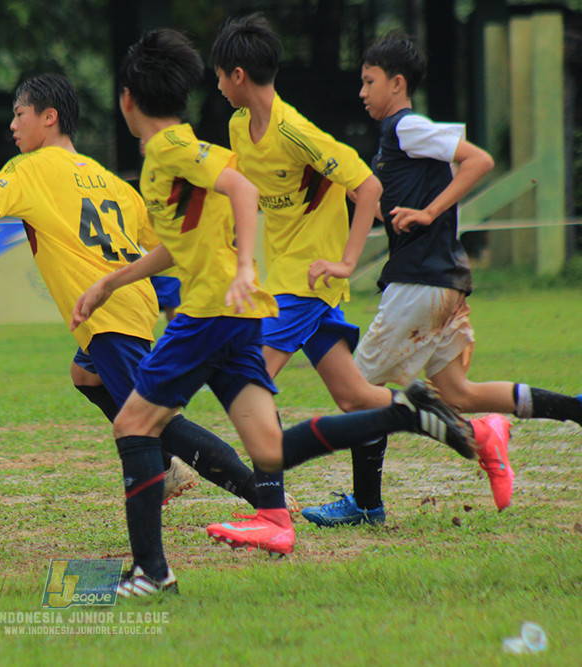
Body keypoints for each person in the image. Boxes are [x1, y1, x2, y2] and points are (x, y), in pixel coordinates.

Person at [73, 29, 474, 584]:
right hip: (242, 315)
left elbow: (245, 191)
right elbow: (184, 242)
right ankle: (410, 413)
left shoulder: (170, 150)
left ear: (126, 100)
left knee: (132, 424)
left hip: (211, 315)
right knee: (269, 447)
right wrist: (112, 282)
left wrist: (245, 266)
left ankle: (151, 572)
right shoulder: (204, 146)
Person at [0, 73, 276, 598]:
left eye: (19, 114)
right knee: (85, 376)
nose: (13, 126)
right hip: (128, 308)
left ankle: (257, 502)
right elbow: (164, 243)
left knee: (152, 424)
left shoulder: (30, 168)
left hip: (110, 319)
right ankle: (177, 477)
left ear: (48, 117)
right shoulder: (108, 179)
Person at [210, 14, 508, 524]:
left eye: (218, 75)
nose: (216, 86)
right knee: (355, 397)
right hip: (286, 280)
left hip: (305, 284)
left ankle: (270, 510)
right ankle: (475, 433)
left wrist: (346, 262)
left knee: (250, 382)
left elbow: (367, 187)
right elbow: (247, 189)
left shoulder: (295, 131)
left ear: (238, 75)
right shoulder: (240, 127)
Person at [299, 31, 582, 526]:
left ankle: (368, 503)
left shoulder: (407, 127)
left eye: (369, 81)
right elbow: (392, 210)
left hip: (419, 284)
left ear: (397, 83)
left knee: (357, 390)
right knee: (458, 393)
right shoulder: (397, 141)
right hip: (441, 281)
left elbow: (479, 160)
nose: (362, 92)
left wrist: (429, 212)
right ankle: (574, 408)